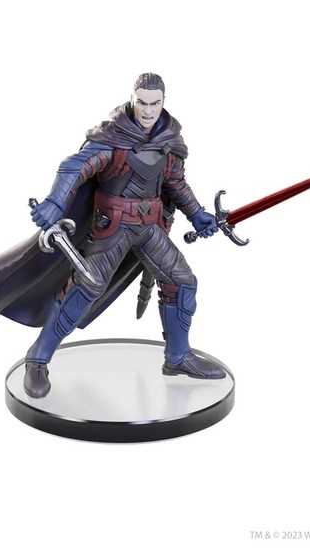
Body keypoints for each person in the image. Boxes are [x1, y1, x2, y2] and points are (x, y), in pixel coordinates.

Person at [23, 73, 225, 397]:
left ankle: (177, 357)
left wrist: (197, 213)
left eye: (155, 103)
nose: (148, 111)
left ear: (164, 101)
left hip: (150, 228)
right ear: (133, 99)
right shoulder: (111, 137)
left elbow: (175, 183)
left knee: (183, 282)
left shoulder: (169, 141)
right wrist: (55, 203)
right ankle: (38, 358)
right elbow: (75, 168)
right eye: (142, 102)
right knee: (86, 286)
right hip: (114, 227)